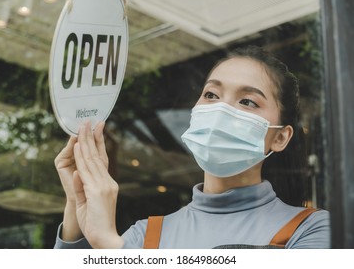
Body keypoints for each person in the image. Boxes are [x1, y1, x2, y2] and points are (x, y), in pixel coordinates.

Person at [53, 45, 330, 249]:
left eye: (247, 101)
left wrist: (112, 248)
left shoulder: (312, 230)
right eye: (211, 95)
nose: (221, 109)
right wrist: (77, 209)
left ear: (280, 137)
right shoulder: (147, 234)